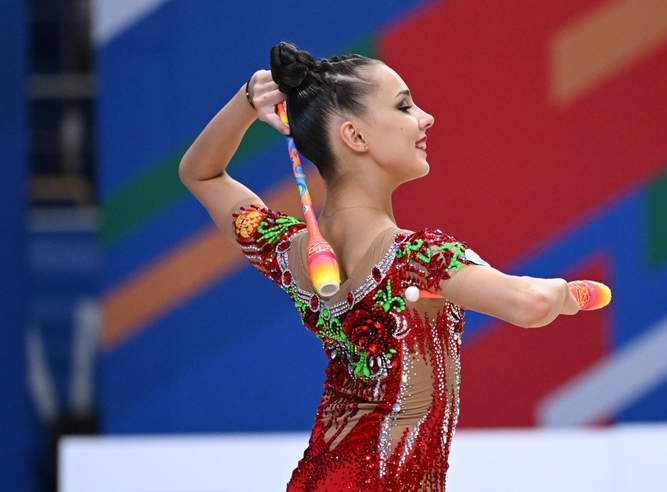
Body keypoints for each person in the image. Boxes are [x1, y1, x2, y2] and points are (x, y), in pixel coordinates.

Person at [180, 42, 603, 491]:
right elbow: (531, 303)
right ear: (355, 137)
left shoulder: (285, 250)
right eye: (405, 106)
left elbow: (201, 173)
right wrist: (567, 293)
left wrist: (248, 100)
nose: (426, 117)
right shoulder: (418, 258)